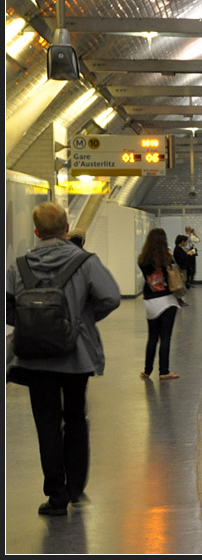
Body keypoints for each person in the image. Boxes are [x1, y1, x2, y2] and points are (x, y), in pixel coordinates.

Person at [5, 201, 121, 516]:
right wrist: (81, 321)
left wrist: (33, 326)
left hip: (34, 360)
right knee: (74, 418)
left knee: (46, 424)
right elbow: (111, 296)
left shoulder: (18, 266)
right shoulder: (85, 262)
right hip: (76, 356)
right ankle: (75, 488)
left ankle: (56, 497)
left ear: (35, 231)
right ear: (66, 228)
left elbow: (7, 305)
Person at [138, 228, 181, 380]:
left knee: (152, 337)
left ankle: (147, 370)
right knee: (166, 337)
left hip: (150, 300)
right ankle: (164, 371)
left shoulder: (142, 259)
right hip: (167, 299)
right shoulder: (167, 258)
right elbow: (176, 272)